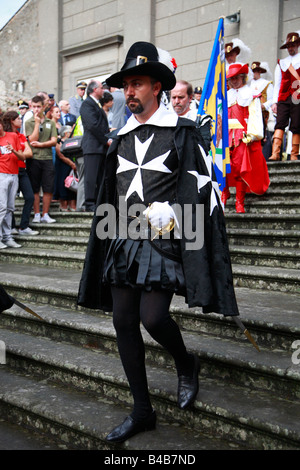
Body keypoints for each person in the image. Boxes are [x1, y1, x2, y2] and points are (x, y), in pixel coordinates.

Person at [77, 41, 240, 443]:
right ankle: (141, 411)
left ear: (156, 87)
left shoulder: (183, 133)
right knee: (122, 320)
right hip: (124, 235)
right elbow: (109, 195)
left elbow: (201, 191)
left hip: (164, 242)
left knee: (153, 318)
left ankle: (187, 363)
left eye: (136, 84)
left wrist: (175, 213)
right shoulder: (120, 138)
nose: (128, 92)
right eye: (125, 86)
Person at [221, 63, 270, 213]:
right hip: (225, 136)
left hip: (242, 136)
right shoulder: (224, 96)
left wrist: (252, 135)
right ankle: (224, 195)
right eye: (231, 78)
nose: (234, 81)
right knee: (223, 166)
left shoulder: (251, 94)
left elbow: (255, 116)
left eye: (237, 77)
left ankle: (239, 202)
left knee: (239, 169)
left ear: (243, 77)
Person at [2, 111, 39, 237]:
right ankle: (11, 227)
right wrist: (20, 154)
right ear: (11, 120)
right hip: (9, 170)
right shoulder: (5, 136)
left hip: (22, 170)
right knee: (7, 202)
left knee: (29, 197)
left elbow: (29, 154)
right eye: (18, 118)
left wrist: (18, 153)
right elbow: (22, 154)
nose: (20, 120)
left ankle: (23, 226)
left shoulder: (21, 136)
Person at [25, 95, 57, 223]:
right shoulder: (29, 122)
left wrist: (42, 144)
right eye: (34, 107)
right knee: (35, 188)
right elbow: (32, 139)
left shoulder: (51, 122)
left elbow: (54, 141)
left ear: (44, 107)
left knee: (48, 187)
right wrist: (37, 123)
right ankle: (37, 213)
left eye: (39, 107)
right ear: (31, 107)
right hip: (34, 158)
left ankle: (45, 214)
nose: (36, 109)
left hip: (47, 157)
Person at [269, 31, 300, 161]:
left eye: (293, 45)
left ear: (298, 45)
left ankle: (294, 154)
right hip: (283, 97)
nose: (290, 48)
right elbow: (277, 84)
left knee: (297, 124)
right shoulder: (281, 63)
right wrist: (274, 102)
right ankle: (275, 153)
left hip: (297, 96)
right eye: (288, 46)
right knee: (280, 123)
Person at [80, 80, 109, 212]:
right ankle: (90, 203)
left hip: (100, 147)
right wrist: (106, 139)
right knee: (91, 177)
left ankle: (98, 201)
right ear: (95, 89)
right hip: (92, 146)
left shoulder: (96, 104)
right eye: (102, 88)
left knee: (99, 176)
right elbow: (92, 125)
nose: (103, 90)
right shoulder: (87, 104)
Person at [0, 113, 25, 249]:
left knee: (9, 208)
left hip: (14, 174)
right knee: (2, 207)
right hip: (1, 175)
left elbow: (22, 157)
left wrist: (13, 151)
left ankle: (7, 237)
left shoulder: (13, 136)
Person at [249, 62, 274, 159]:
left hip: (263, 114)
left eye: (255, 71)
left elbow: (272, 99)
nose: (253, 73)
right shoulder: (249, 84)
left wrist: (264, 105)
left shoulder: (266, 84)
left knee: (264, 135)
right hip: (252, 114)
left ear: (259, 71)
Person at [54, 126, 77, 211]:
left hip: (70, 168)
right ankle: (63, 205)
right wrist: (72, 164)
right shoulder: (59, 143)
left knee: (72, 185)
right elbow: (61, 156)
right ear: (66, 133)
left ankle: (72, 205)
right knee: (62, 184)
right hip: (62, 167)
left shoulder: (72, 142)